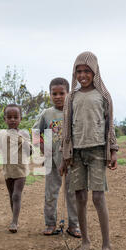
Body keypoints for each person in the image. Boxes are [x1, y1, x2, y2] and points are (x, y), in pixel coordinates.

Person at [60, 51, 118, 250]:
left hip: (97, 151)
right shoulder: (71, 98)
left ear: (95, 72)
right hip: (76, 153)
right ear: (74, 73)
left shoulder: (103, 96)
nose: (82, 75)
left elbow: (110, 126)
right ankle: (85, 242)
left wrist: (113, 151)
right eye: (78, 71)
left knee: (98, 197)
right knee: (80, 197)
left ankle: (107, 245)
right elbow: (66, 129)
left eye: (87, 71)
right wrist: (65, 156)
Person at [32, 78, 80, 238]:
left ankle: (74, 225)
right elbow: (35, 133)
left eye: (62, 93)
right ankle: (50, 223)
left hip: (72, 159)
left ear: (68, 94)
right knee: (51, 192)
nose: (58, 96)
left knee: (72, 193)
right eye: (54, 93)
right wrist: (43, 147)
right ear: (50, 94)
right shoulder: (47, 114)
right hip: (52, 160)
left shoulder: (74, 111)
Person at [0, 104, 30, 233]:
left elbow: (29, 152)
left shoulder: (23, 134)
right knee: (11, 195)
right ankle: (14, 217)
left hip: (20, 170)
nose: (12, 120)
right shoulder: (1, 134)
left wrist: (22, 141)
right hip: (7, 171)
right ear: (5, 119)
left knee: (16, 195)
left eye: (15, 117)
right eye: (9, 117)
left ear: (20, 119)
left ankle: (14, 222)